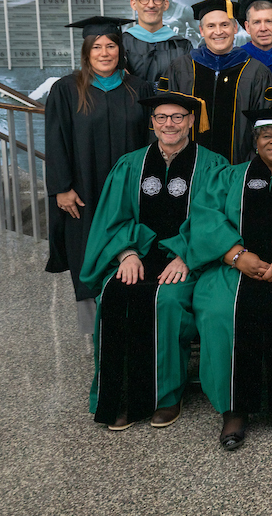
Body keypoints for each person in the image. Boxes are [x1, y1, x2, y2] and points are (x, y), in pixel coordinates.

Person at [80, 92, 227, 430]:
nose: (169, 124)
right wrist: (126, 255)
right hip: (137, 255)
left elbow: (216, 219)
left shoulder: (212, 165)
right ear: (152, 123)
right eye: (161, 117)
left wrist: (186, 256)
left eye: (177, 117)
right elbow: (112, 218)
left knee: (168, 300)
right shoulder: (131, 164)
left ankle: (164, 396)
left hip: (188, 259)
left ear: (191, 121)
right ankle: (118, 396)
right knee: (115, 294)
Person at [186, 103, 272, 450]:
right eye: (266, 135)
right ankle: (235, 408)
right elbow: (204, 218)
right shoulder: (230, 176)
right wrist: (236, 255)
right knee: (221, 311)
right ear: (255, 140)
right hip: (234, 268)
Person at [46, 16, 156, 334]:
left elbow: (151, 139)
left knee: (132, 246)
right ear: (86, 51)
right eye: (97, 47)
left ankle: (133, 321)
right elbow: (56, 140)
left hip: (129, 190)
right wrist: (61, 188)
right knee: (87, 251)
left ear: (121, 50)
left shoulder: (139, 88)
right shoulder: (66, 89)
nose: (104, 52)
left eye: (111, 45)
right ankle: (96, 330)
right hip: (83, 189)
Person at [159, 0, 272, 164]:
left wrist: (252, 165)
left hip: (239, 169)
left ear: (235, 28)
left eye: (224, 25)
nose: (218, 32)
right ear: (201, 30)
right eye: (211, 26)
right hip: (186, 169)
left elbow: (268, 125)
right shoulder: (180, 69)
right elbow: (163, 119)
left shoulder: (256, 72)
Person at [121, 0, 193, 88]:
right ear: (133, 4)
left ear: (165, 5)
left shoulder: (182, 45)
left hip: (172, 104)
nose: (151, 5)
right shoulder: (122, 43)